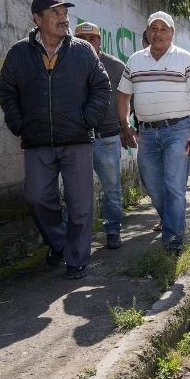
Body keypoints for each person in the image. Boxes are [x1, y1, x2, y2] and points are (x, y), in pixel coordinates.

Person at [0, 0, 111, 279]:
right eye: (55, 14)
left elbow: (102, 87)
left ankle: (77, 260)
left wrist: (86, 119)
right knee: (36, 197)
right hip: (37, 141)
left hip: (75, 139)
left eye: (64, 13)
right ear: (38, 20)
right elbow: (7, 90)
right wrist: (19, 124)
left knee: (80, 203)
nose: (63, 19)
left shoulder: (83, 50)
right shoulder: (19, 53)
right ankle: (60, 242)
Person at [117, 11, 190, 256]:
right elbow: (124, 96)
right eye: (153, 28)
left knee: (174, 186)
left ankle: (174, 239)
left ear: (172, 33)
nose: (157, 33)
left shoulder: (185, 59)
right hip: (146, 133)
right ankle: (173, 221)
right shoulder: (135, 61)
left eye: (163, 28)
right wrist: (125, 125)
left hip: (177, 130)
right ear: (147, 32)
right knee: (153, 186)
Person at [74, 22, 126, 250]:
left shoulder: (115, 67)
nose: (89, 43)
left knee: (111, 188)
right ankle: (78, 237)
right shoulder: (68, 64)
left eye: (92, 38)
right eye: (83, 39)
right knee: (77, 191)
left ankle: (113, 230)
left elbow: (126, 99)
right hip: (78, 139)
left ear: (99, 40)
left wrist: (124, 126)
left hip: (107, 137)